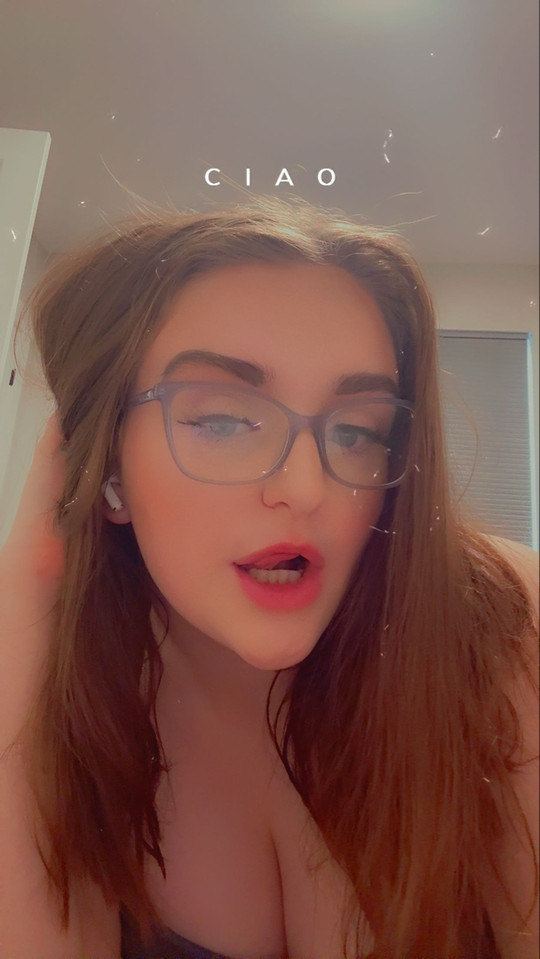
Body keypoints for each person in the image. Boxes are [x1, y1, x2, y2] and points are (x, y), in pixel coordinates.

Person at [0, 196, 537, 959]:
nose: (308, 486)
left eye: (356, 431)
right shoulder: (72, 689)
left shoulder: (499, 622)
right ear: (105, 465)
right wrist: (26, 580)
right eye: (223, 420)